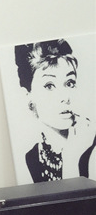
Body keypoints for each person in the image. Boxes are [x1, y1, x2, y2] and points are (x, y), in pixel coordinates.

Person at [14, 39, 94, 181]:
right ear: (28, 96)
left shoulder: (91, 147)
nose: (65, 97)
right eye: (49, 86)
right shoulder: (32, 157)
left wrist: (72, 157)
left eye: (69, 83)